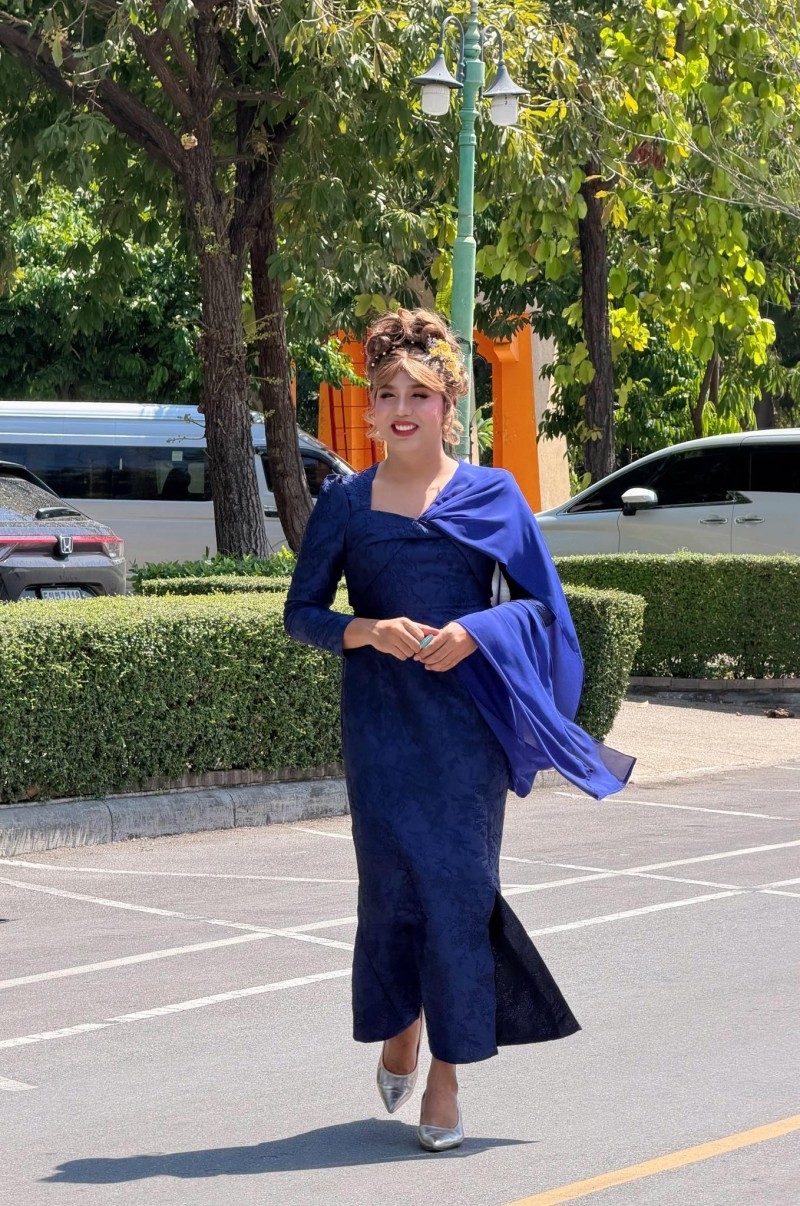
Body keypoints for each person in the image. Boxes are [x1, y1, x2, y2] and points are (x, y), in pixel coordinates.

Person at [284, 308, 634, 1152]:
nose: (401, 409)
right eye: (386, 394)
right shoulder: (343, 503)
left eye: (420, 394)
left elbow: (545, 611)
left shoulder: (494, 494)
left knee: (460, 892)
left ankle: (446, 1073)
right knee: (390, 893)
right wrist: (366, 630)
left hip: (465, 730)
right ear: (370, 409)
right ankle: (400, 1024)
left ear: (449, 405)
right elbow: (301, 613)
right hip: (380, 728)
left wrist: (478, 631)